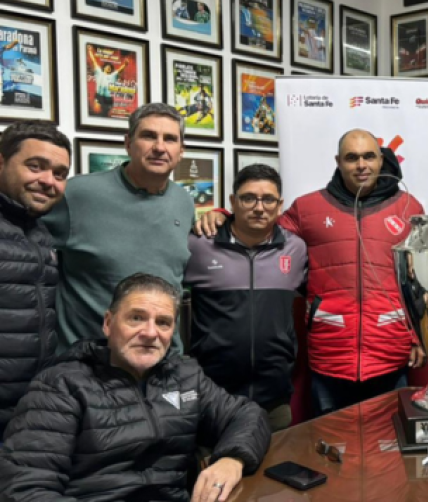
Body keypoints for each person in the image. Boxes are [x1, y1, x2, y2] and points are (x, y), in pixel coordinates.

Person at [196, 129, 426, 416]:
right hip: (330, 357)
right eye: (352, 158)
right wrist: (222, 215)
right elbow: (261, 225)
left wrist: (418, 336)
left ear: (382, 160)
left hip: (389, 355)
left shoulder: (409, 207)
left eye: (369, 156)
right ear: (338, 161)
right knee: (329, 451)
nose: (361, 165)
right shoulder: (308, 208)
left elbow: (417, 278)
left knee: (388, 448)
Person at [0, 273, 270, 501]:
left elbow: (246, 414)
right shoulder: (60, 386)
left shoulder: (186, 376)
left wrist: (232, 459)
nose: (151, 333)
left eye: (163, 322)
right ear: (108, 323)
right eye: (137, 318)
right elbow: (25, 489)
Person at [43, 103, 195, 353]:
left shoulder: (184, 201)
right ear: (128, 143)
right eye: (148, 136)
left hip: (163, 360)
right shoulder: (76, 195)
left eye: (170, 139)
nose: (159, 147)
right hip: (90, 364)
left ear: (181, 151)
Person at [185, 164, 307, 431]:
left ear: (279, 205)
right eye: (249, 198)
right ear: (232, 202)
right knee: (213, 469)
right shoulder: (199, 245)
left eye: (268, 199)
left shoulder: (296, 250)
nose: (259, 207)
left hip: (275, 399)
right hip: (212, 395)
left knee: (276, 469)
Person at [0, 121, 70, 438]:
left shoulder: (38, 232)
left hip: (26, 411)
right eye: (35, 166)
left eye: (59, 174)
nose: (48, 181)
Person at [87, 44, 129, 117]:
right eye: (107, 67)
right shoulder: (99, 72)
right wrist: (90, 51)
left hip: (108, 98)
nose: (108, 68)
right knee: (97, 111)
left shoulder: (113, 75)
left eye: (110, 67)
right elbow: (94, 61)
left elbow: (120, 70)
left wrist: (125, 64)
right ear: (104, 68)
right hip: (99, 96)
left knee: (107, 114)